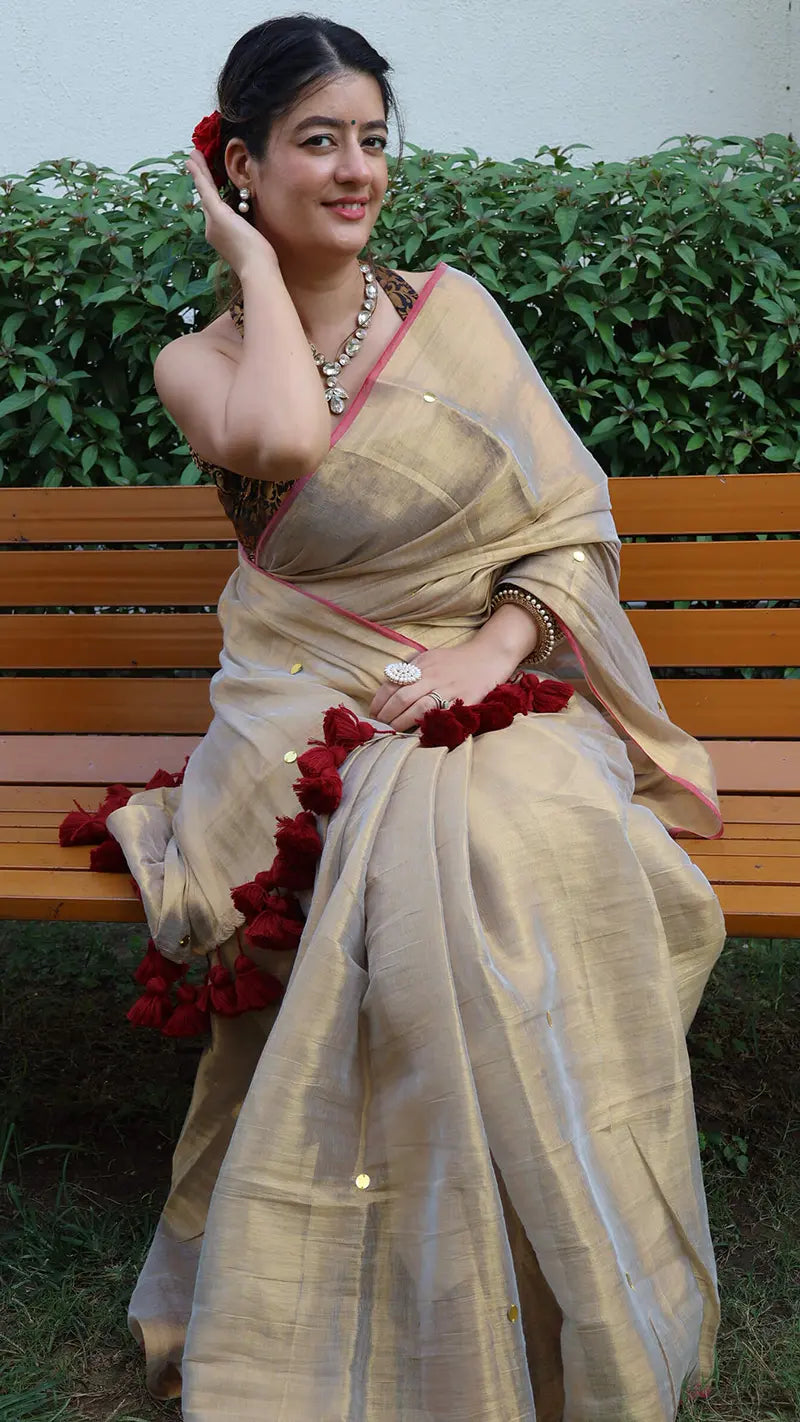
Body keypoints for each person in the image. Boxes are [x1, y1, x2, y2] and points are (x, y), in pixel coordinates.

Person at [105, 15, 727, 1421]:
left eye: (373, 139)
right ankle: (359, 1286)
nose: (355, 169)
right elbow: (283, 446)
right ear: (240, 163)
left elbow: (566, 528)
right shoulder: (193, 359)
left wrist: (489, 652)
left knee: (527, 840)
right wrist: (254, 261)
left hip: (471, 681)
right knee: (392, 860)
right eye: (315, 141)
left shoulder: (459, 316)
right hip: (294, 698)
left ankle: (544, 1263)